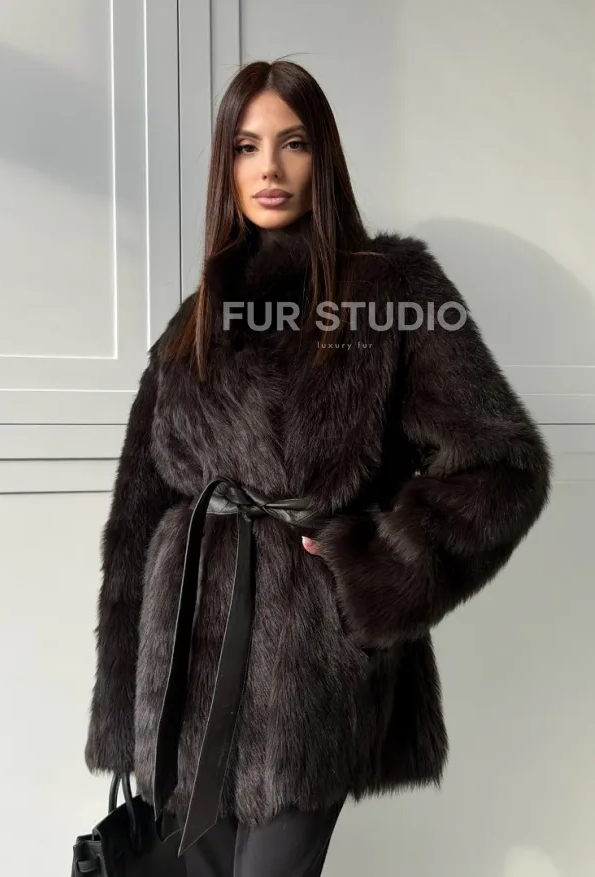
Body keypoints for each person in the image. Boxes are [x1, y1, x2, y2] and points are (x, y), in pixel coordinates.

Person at [83, 59, 552, 876]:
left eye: (292, 143)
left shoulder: (391, 290)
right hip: (184, 668)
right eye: (246, 146)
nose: (269, 167)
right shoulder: (191, 324)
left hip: (308, 670)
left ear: (321, 156)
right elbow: (137, 520)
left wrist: (369, 571)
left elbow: (503, 462)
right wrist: (125, 713)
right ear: (225, 167)